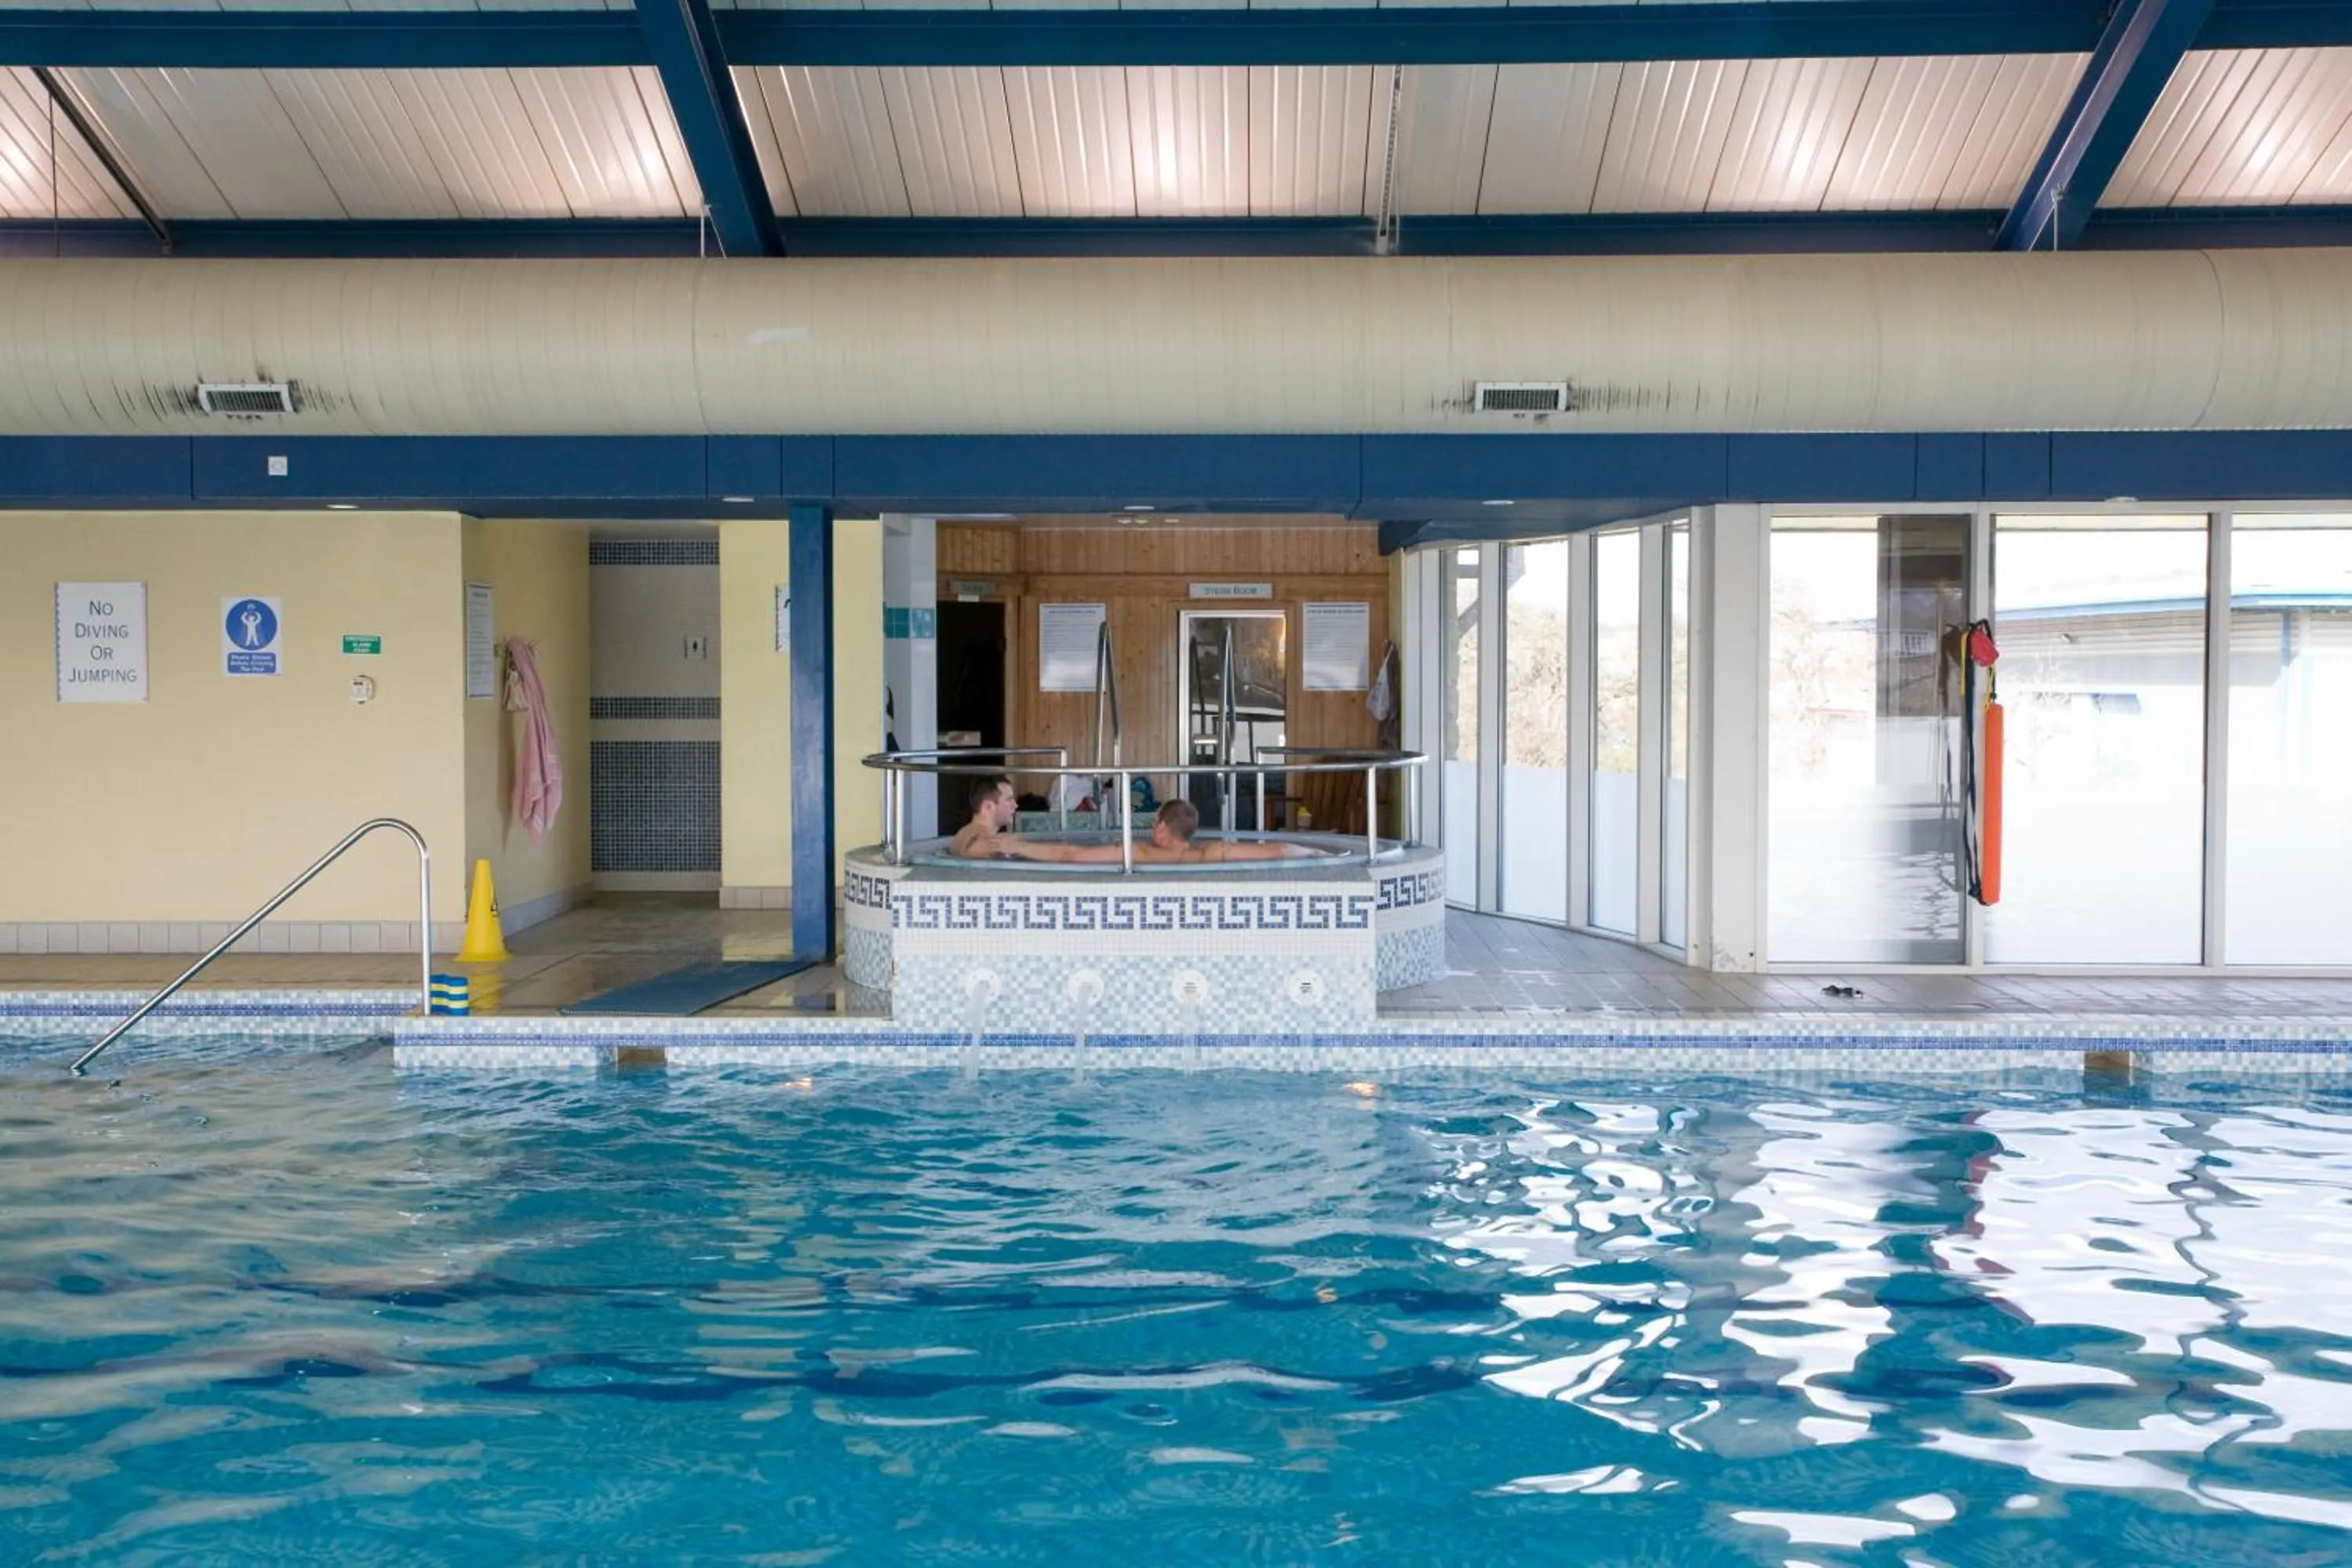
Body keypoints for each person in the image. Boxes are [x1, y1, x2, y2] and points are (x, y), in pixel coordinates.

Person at [998, 798, 1323, 866]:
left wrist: (1020, 845)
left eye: (1155, 822)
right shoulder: (1211, 854)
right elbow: (1277, 850)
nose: (1152, 827)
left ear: (1164, 828)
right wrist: (1316, 852)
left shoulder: (1138, 852)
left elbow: (1071, 855)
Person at [946, 774, 1027, 858]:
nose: (1015, 805)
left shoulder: (962, 834)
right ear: (988, 806)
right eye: (1009, 800)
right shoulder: (986, 843)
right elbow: (974, 849)